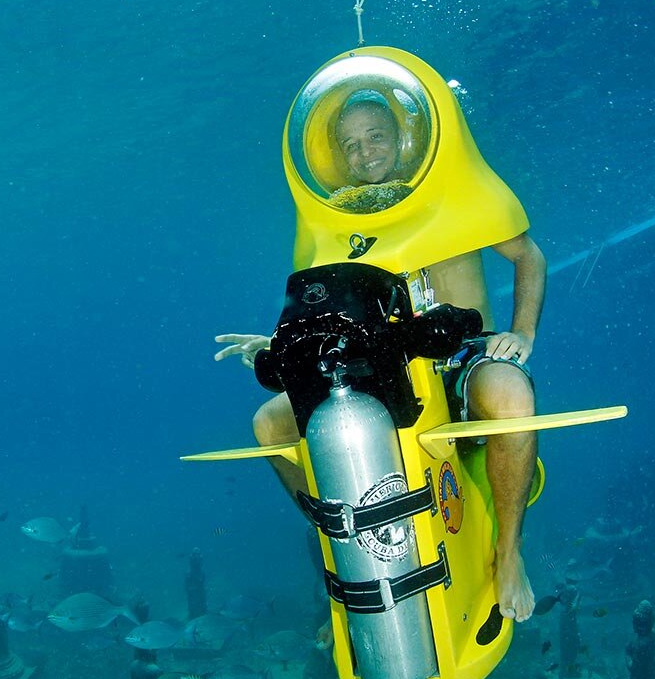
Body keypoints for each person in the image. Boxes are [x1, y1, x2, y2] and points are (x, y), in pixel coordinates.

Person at [215, 92, 546, 623]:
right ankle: (339, 544)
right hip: (380, 366)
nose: (364, 152)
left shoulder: (456, 194)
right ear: (337, 160)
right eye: (350, 144)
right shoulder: (334, 222)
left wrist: (522, 333)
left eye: (375, 135)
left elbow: (529, 255)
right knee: (268, 424)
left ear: (403, 138)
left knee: (511, 395)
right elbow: (317, 312)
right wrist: (275, 345)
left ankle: (510, 554)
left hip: (461, 354)